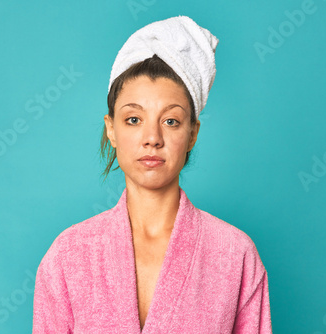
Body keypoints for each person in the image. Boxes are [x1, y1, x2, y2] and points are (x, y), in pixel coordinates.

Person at [32, 15, 272, 333]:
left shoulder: (235, 254)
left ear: (192, 133)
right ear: (111, 129)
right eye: (133, 119)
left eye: (170, 121)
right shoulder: (68, 255)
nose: (152, 138)